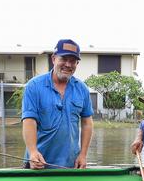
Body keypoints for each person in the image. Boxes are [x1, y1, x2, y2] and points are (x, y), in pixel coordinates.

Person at [22, 39, 94, 169]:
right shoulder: (34, 86)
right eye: (64, 59)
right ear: (54, 59)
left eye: (72, 61)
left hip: (70, 164)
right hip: (38, 163)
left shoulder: (82, 89)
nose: (68, 64)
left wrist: (83, 154)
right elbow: (29, 120)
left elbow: (87, 123)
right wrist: (33, 152)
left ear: (77, 63)